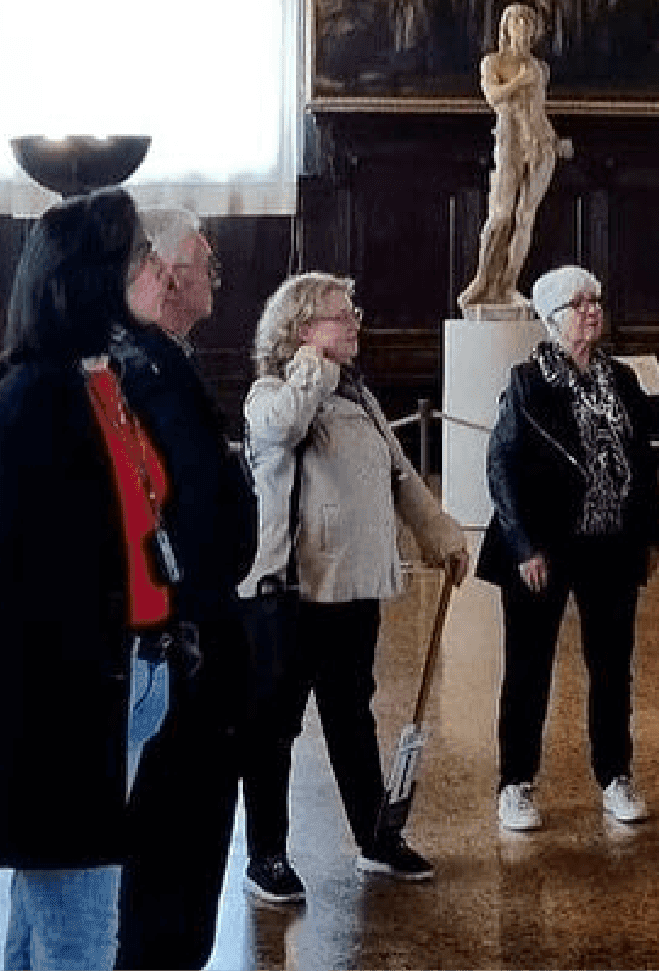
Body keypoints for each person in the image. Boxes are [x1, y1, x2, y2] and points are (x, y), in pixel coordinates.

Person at [0, 189, 174, 971]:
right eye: (141, 256)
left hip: (119, 676)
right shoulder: (32, 407)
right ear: (92, 278)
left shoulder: (96, 383)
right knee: (78, 934)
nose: (160, 271)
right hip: (61, 712)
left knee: (47, 926)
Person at [236, 271, 470, 904]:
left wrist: (441, 535)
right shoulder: (272, 391)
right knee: (273, 728)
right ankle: (266, 855)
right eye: (339, 316)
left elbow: (401, 476)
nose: (354, 323)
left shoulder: (359, 397)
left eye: (352, 312)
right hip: (289, 594)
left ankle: (375, 838)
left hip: (352, 589)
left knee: (351, 717)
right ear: (301, 330)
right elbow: (281, 429)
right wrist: (312, 367)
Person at [113, 206, 259, 970]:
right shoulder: (143, 369)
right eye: (206, 263)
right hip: (181, 638)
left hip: (195, 627)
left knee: (186, 832)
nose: (215, 278)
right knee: (174, 830)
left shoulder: (162, 360)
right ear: (167, 275)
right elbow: (182, 511)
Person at [483, 264, 659, 832]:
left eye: (595, 301)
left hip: (611, 545)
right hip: (542, 547)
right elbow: (502, 467)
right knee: (529, 668)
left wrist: (650, 534)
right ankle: (516, 783)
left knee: (611, 667)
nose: (592, 311)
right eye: (579, 304)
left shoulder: (621, 379)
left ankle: (615, 775)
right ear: (552, 318)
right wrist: (523, 546)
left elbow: (643, 461)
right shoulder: (527, 382)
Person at [458, 2, 569, 312]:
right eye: (517, 23)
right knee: (501, 215)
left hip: (541, 143)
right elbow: (493, 96)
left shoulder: (540, 68)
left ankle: (508, 285)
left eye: (528, 24)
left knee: (525, 216)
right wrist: (519, 81)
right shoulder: (492, 62)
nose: (523, 29)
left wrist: (553, 141)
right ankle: (482, 281)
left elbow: (538, 110)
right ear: (506, 28)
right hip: (509, 141)